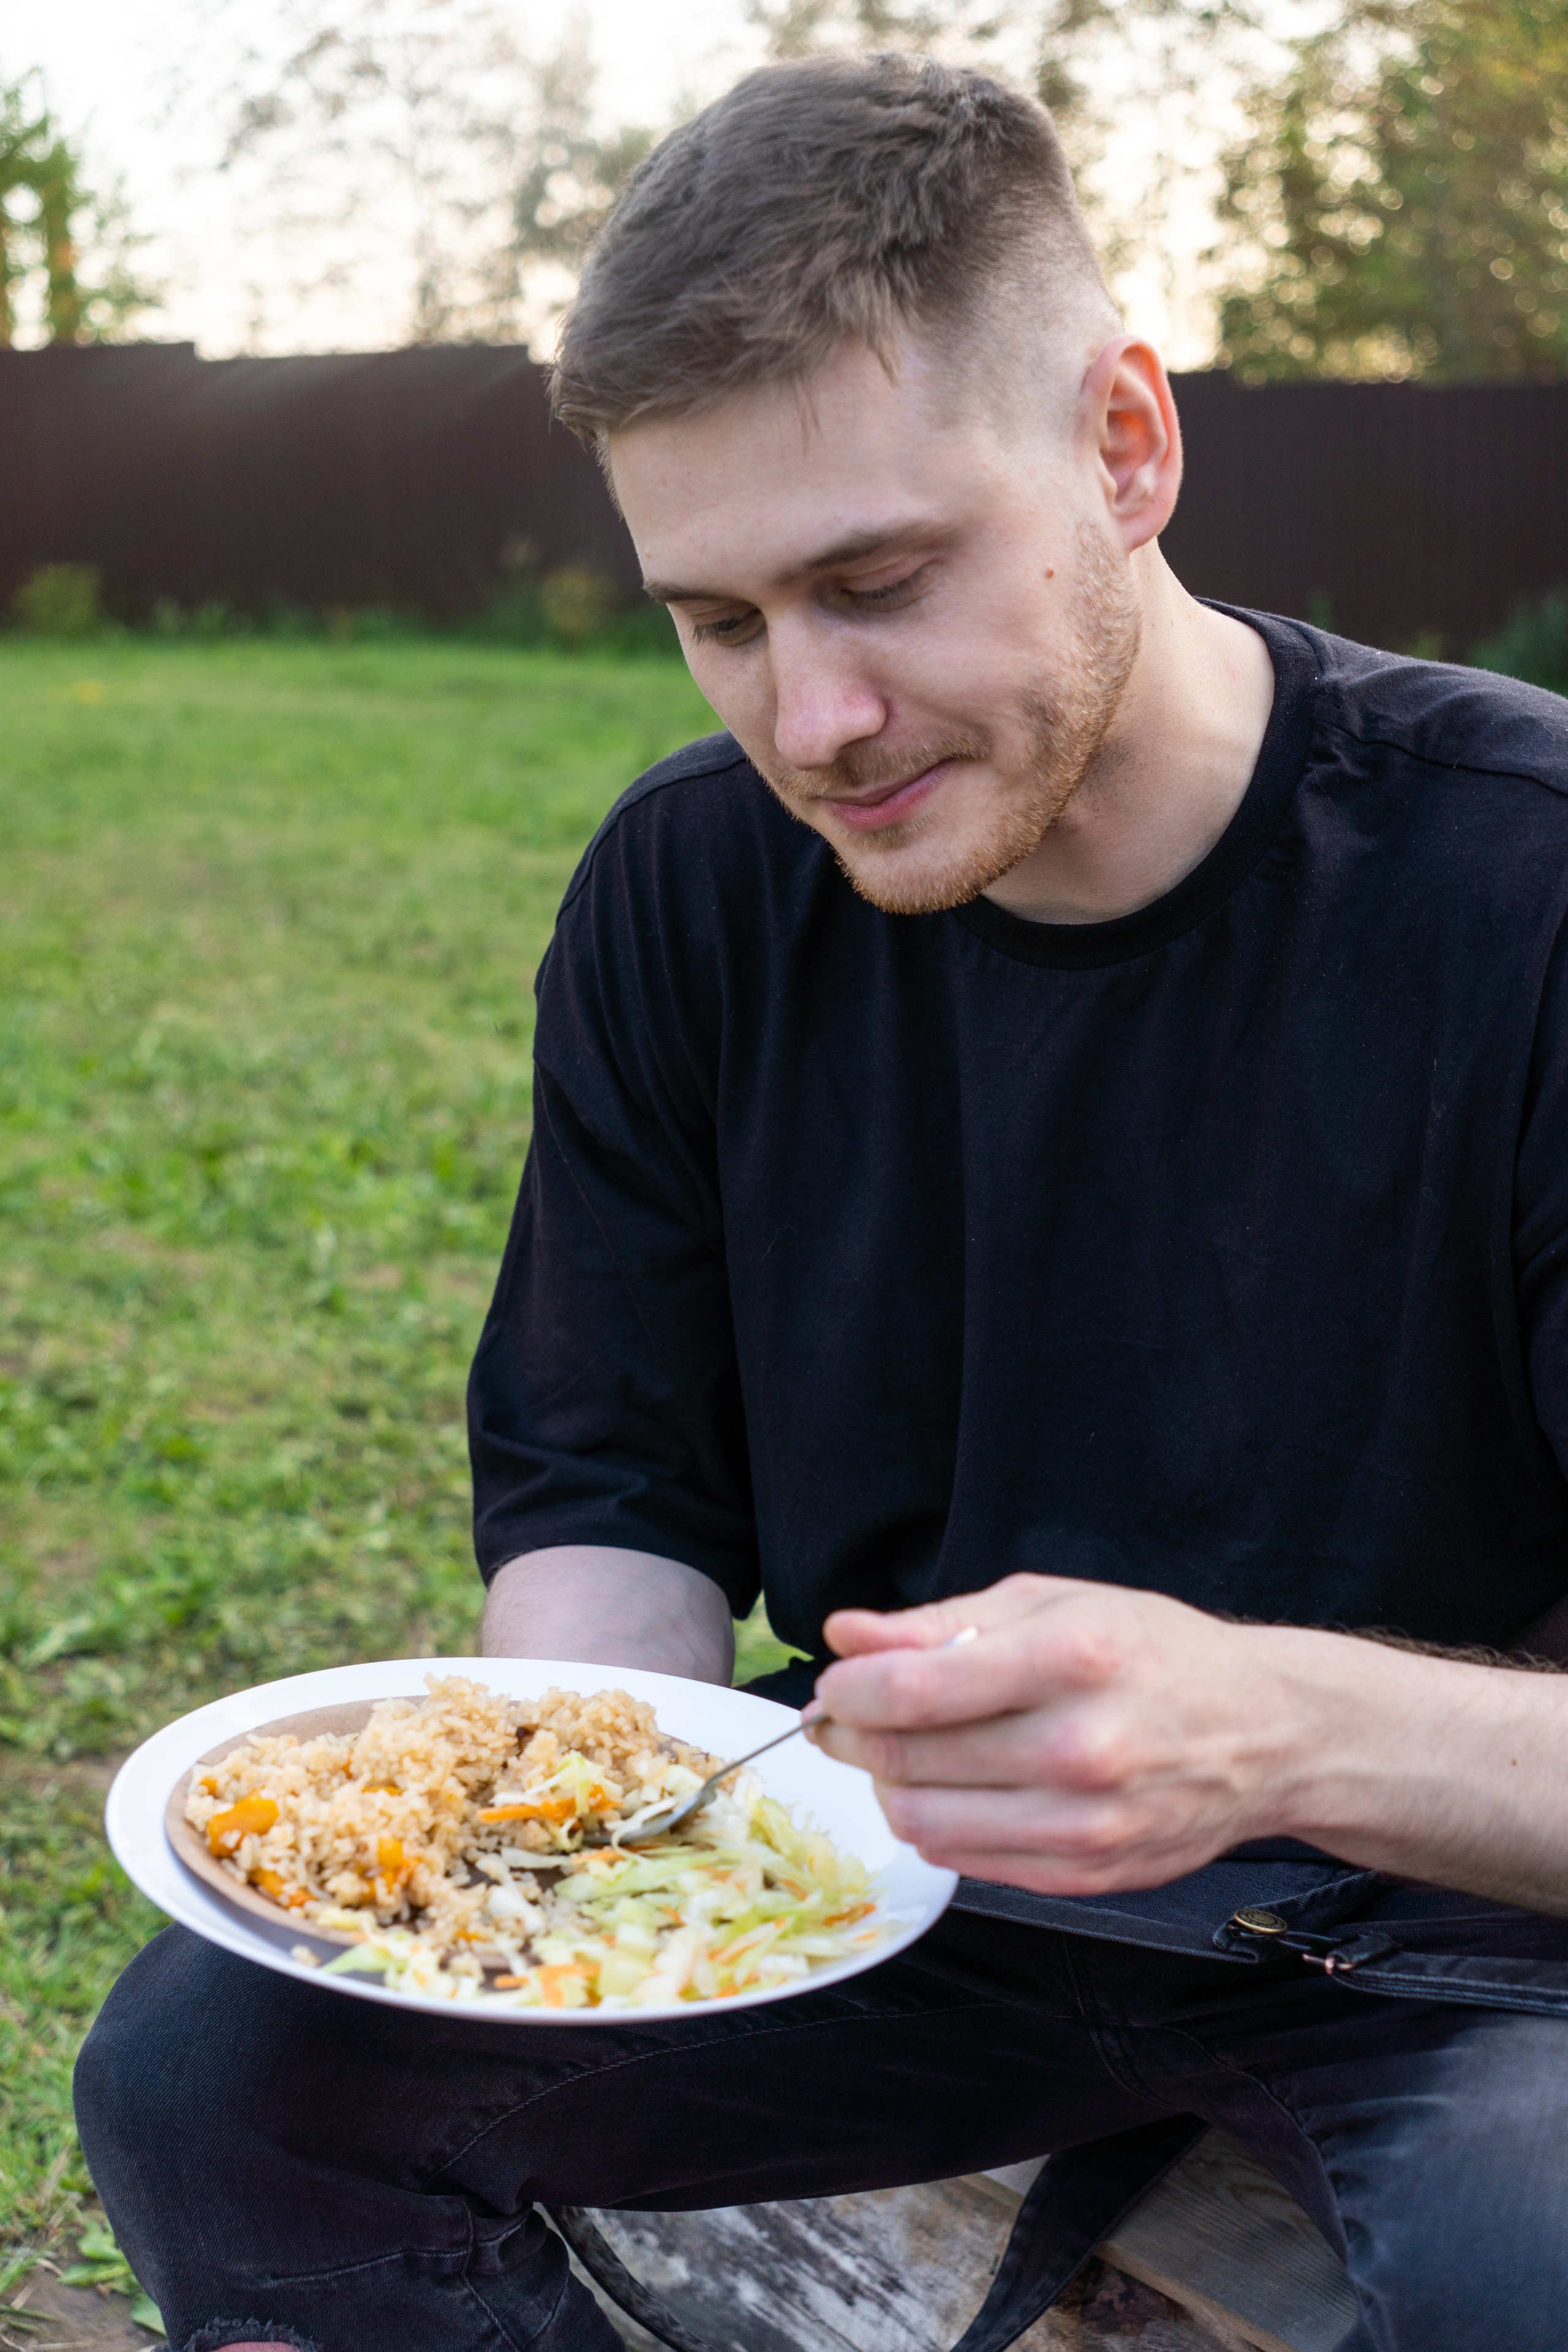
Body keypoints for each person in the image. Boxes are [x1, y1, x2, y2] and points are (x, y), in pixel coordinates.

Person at [76, 51, 1568, 2352]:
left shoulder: (1526, 891)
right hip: (886, 1887)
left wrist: (1270, 1729)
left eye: (878, 582)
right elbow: (615, 1498)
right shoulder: (692, 889)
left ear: (1126, 445)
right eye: (724, 617)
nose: (817, 721)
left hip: (1464, 1941)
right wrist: (542, 1828)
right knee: (214, 2076)